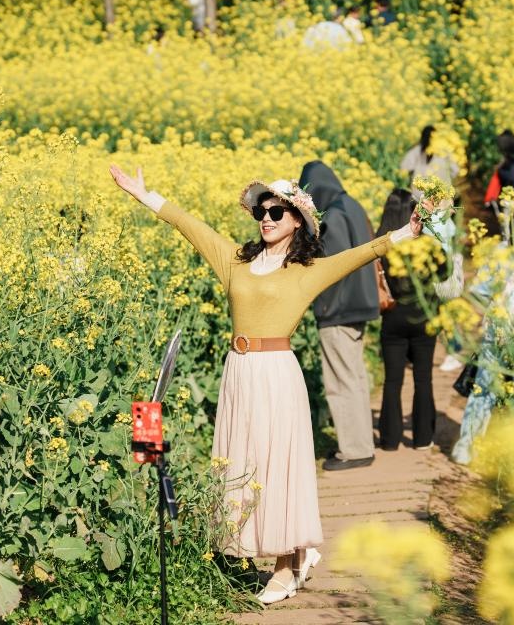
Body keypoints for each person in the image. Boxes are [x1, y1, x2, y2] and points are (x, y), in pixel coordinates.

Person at [109, 164, 423, 604]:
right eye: (263, 210)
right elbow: (190, 226)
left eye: (278, 211)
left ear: (298, 221)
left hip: (277, 372)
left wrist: (405, 233)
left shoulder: (307, 270)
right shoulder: (236, 261)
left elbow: (361, 254)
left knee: (279, 465)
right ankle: (292, 550)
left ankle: (287, 564)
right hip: (238, 372)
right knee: (244, 462)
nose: (268, 217)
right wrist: (143, 195)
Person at [299, 161, 380, 471]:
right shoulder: (353, 206)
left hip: (338, 310)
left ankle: (354, 450)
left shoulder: (332, 215)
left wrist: (322, 308)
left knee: (340, 382)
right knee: (356, 378)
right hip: (361, 304)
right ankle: (361, 444)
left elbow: (329, 269)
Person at [450, 198, 514, 465]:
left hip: (498, 328)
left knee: (484, 388)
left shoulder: (502, 248)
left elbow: (479, 289)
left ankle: (465, 448)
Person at [376, 189, 439, 451]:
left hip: (393, 314)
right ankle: (423, 438)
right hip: (423, 315)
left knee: (393, 380)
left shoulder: (381, 244)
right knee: (423, 378)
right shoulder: (427, 242)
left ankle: (390, 440)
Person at [401, 125, 459, 192]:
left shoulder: (416, 150)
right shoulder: (444, 150)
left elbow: (404, 167)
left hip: (419, 194)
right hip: (441, 193)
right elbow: (455, 170)